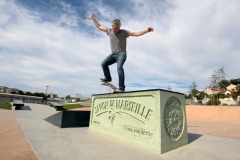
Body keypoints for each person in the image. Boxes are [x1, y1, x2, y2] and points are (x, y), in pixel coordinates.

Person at [88, 13, 154, 92]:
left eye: (118, 28)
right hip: (113, 54)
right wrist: (92, 18)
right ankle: (108, 78)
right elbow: (99, 26)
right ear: (112, 26)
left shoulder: (124, 32)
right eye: (114, 28)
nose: (116, 30)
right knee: (103, 64)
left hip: (122, 54)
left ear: (120, 27)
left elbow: (136, 34)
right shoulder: (109, 30)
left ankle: (121, 87)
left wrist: (147, 30)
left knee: (119, 68)